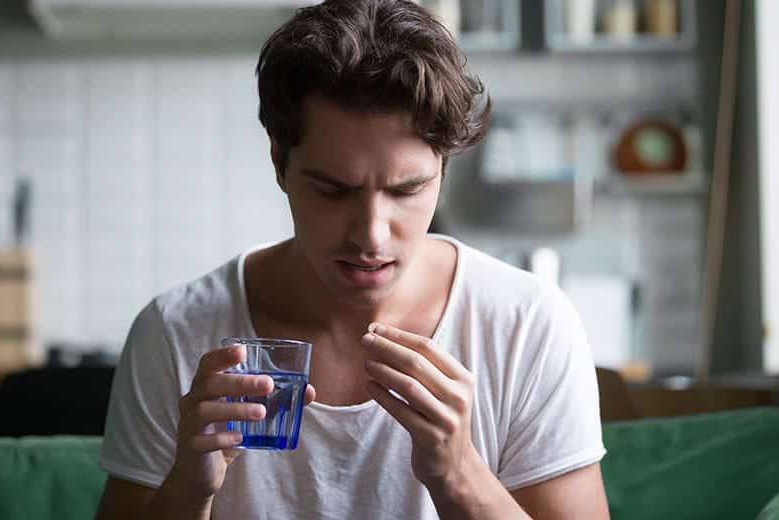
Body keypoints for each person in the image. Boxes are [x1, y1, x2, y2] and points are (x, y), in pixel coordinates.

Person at [95, 0, 610, 518]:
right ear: (279, 162)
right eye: (333, 191)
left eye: (407, 190)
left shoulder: (528, 325)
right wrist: (187, 491)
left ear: (444, 169)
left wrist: (459, 476)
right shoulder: (176, 331)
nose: (370, 235)